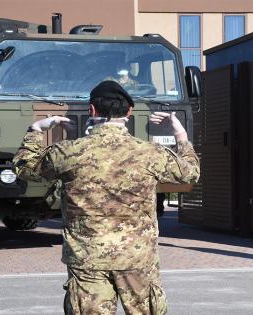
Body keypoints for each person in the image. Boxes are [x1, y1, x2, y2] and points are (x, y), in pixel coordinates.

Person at [12, 80, 200, 314]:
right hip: (136, 257)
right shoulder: (150, 153)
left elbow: (24, 167)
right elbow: (190, 173)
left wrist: (37, 130)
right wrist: (180, 134)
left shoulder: (70, 152)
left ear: (92, 110)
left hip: (88, 259)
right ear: (129, 112)